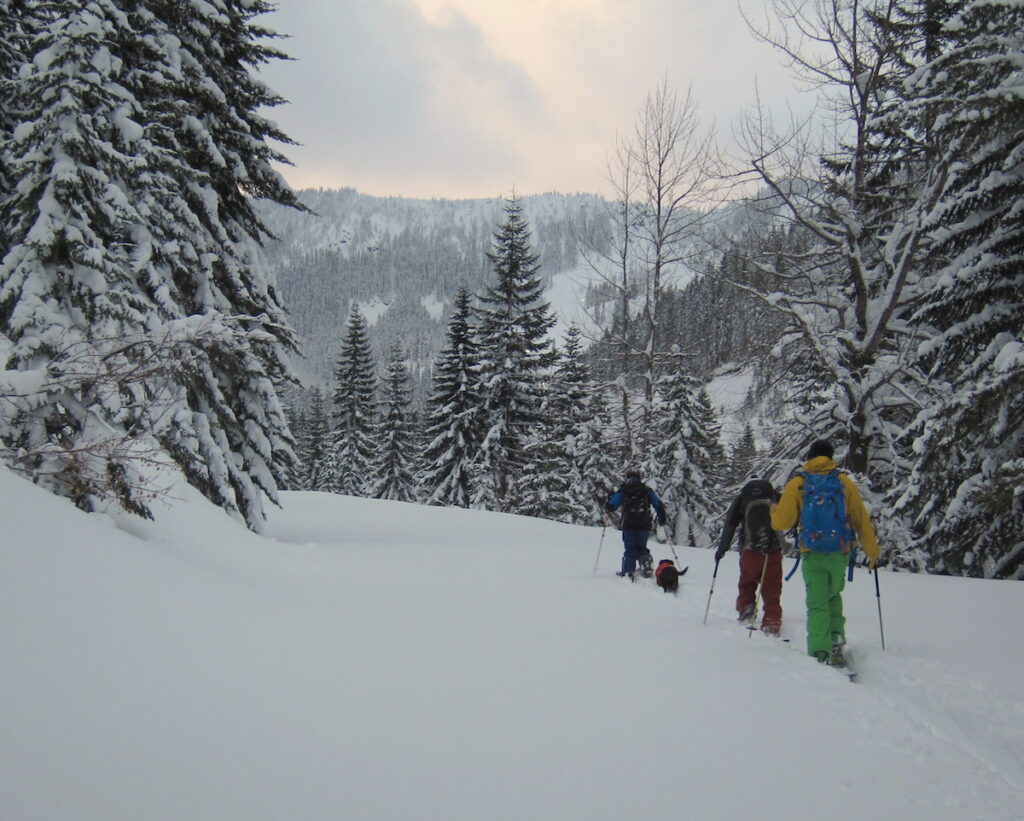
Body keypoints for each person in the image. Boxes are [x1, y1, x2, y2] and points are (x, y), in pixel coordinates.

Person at [770, 439, 880, 667]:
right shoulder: (843, 482)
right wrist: (872, 552)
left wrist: (773, 512)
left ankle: (821, 653)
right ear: (831, 458)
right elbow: (860, 518)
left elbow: (782, 523)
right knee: (833, 596)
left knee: (817, 603)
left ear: (809, 457)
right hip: (840, 552)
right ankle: (836, 642)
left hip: (812, 553)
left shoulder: (798, 483)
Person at [715, 476, 783, 635]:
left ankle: (747, 608)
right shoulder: (774, 496)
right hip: (772, 550)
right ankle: (772, 621)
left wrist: (722, 549)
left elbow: (730, 524)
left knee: (747, 581)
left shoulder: (743, 498)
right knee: (772, 586)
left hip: (749, 550)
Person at [605, 469, 667, 579]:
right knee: (642, 547)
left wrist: (610, 497)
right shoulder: (646, 490)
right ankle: (646, 566)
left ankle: (629, 571)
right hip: (644, 524)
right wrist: (662, 518)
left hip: (628, 524)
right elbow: (658, 504)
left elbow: (611, 506)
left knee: (630, 548)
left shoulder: (624, 490)